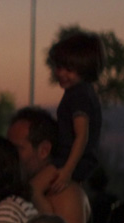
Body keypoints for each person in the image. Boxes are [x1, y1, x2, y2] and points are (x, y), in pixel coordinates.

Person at [7, 107, 91, 223]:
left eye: (16, 149)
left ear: (44, 150)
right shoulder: (19, 189)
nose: (9, 156)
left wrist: (34, 192)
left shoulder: (64, 192)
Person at [45, 31, 105, 195]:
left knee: (34, 189)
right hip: (76, 161)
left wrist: (67, 171)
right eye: (59, 67)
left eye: (69, 69)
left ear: (84, 69)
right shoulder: (81, 92)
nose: (61, 73)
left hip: (71, 161)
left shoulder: (79, 96)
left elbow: (81, 136)